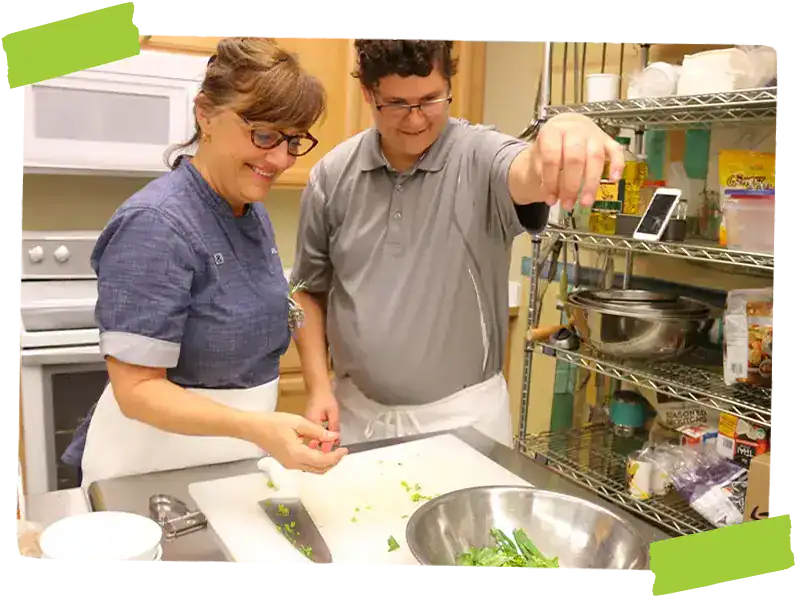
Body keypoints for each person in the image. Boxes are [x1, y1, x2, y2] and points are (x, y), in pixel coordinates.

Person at [290, 34, 624, 449]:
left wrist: (565, 129)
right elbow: (308, 291)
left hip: (462, 418)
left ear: (450, 85)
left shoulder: (481, 157)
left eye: (431, 99)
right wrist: (318, 388)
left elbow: (526, 171)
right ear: (367, 93)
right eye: (396, 103)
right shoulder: (331, 176)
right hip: (356, 413)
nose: (414, 119)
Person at [65, 34, 348, 487]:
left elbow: (283, 298)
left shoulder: (249, 210)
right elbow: (136, 392)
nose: (279, 159)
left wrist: (319, 386)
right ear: (206, 114)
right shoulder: (157, 224)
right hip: (147, 471)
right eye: (264, 135)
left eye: (293, 141)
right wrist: (258, 428)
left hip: (220, 459)